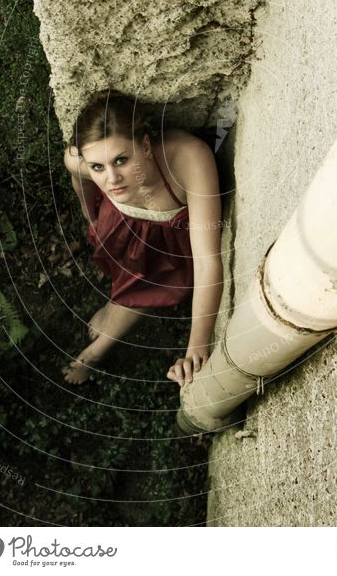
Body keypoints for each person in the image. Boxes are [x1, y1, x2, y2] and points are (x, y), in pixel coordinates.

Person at [61, 88, 224, 387]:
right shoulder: (79, 160)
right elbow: (76, 172)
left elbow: (208, 261)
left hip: (164, 246)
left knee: (147, 284)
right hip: (120, 225)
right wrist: (92, 217)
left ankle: (95, 353)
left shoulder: (189, 160)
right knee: (124, 271)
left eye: (122, 160)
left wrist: (197, 346)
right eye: (98, 167)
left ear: (146, 145)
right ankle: (113, 305)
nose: (111, 179)